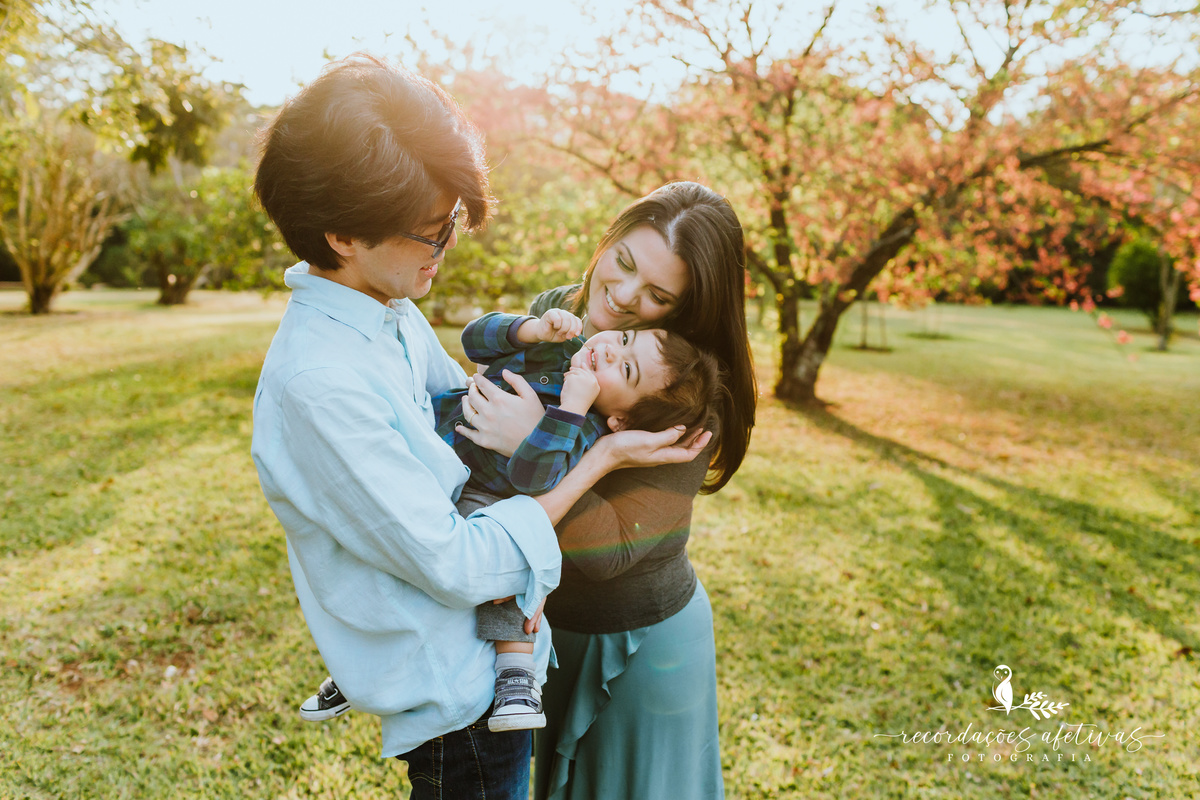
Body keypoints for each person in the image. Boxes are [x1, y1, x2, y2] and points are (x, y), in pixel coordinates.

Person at [249, 55, 710, 800]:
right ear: (342, 236)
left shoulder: (388, 309)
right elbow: (461, 565)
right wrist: (599, 459)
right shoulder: (321, 382)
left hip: (491, 670)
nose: (449, 245)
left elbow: (465, 407)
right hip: (457, 696)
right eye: (432, 233)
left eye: (452, 222)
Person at [459, 181, 757, 800]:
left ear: (685, 309)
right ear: (609, 240)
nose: (620, 296)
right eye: (622, 263)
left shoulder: (684, 399)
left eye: (657, 296)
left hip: (636, 644)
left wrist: (558, 447)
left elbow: (609, 552)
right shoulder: (560, 312)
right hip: (546, 632)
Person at [301, 307, 722, 732]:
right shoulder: (559, 347)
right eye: (626, 338)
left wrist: (569, 409)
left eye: (626, 370)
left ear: (622, 420)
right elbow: (474, 341)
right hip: (427, 449)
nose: (612, 350)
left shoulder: (586, 431)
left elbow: (533, 478)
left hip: (484, 495)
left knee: (509, 562)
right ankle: (365, 669)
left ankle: (515, 675)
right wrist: (531, 329)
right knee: (385, 565)